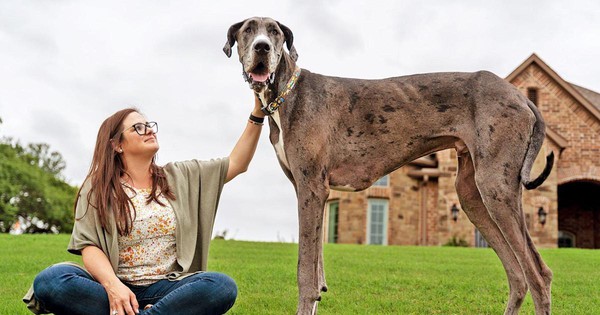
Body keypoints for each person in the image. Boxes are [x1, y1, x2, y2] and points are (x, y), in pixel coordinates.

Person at [28, 95, 265, 315]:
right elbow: (89, 246)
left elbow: (237, 163)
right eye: (138, 128)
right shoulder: (97, 187)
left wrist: (258, 113)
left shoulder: (181, 176)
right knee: (50, 281)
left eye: (149, 125)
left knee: (221, 286)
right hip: (111, 288)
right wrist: (114, 288)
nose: (149, 130)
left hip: (168, 290)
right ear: (116, 145)